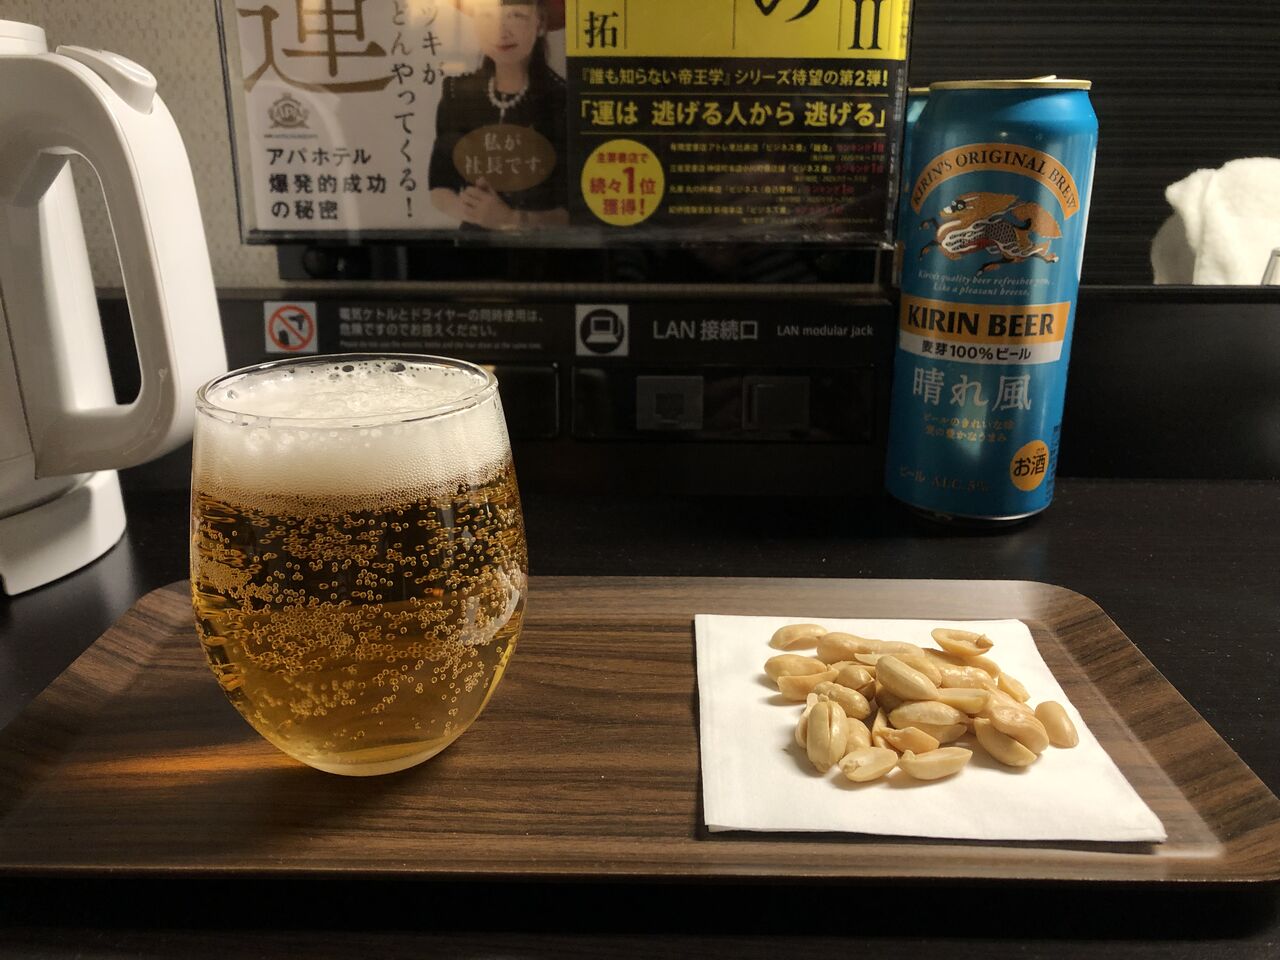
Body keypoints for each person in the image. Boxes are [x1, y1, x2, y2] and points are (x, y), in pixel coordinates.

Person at [429, 0, 569, 230]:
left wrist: (509, 219)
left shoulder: (562, 100)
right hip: (471, 245)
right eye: (487, 16)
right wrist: (472, 211)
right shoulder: (457, 92)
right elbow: (440, 187)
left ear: (540, 23)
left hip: (542, 249)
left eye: (516, 16)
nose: (501, 31)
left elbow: (575, 213)